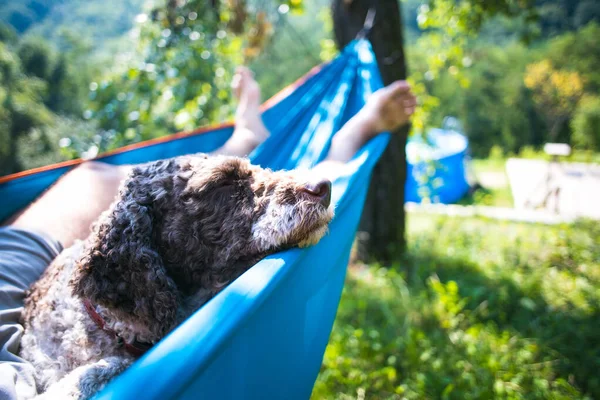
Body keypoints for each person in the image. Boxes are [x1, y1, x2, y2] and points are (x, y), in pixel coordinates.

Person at [0, 67, 416, 399]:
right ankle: (243, 145)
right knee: (101, 179)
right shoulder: (127, 276)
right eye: (225, 191)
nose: (314, 187)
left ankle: (242, 143)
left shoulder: (146, 278)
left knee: (93, 174)